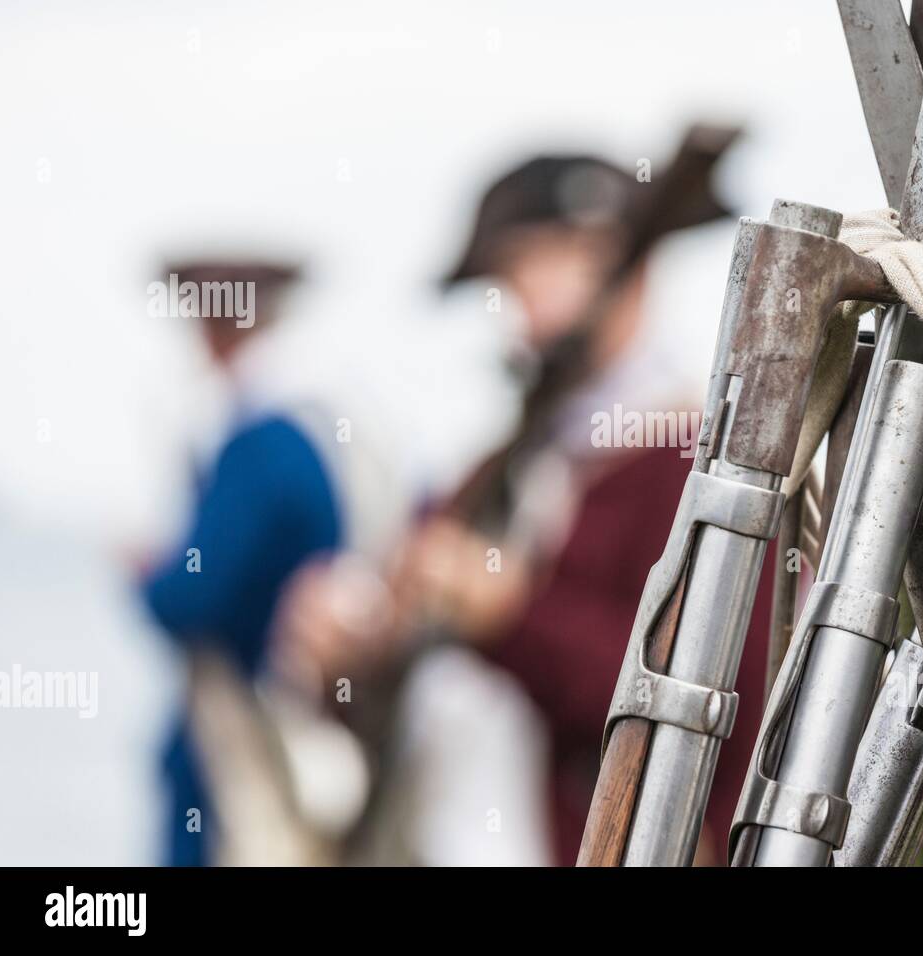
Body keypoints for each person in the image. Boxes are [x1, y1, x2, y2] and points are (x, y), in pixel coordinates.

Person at [276, 144, 775, 865]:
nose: (527, 305)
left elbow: (714, 717)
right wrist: (344, 660)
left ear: (625, 266)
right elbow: (398, 708)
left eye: (558, 262)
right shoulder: (493, 469)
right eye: (514, 277)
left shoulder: (696, 468)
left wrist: (513, 616)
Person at [140, 259, 403, 865]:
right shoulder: (337, 426)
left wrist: (149, 577)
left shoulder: (260, 442)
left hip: (251, 732)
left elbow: (187, 596)